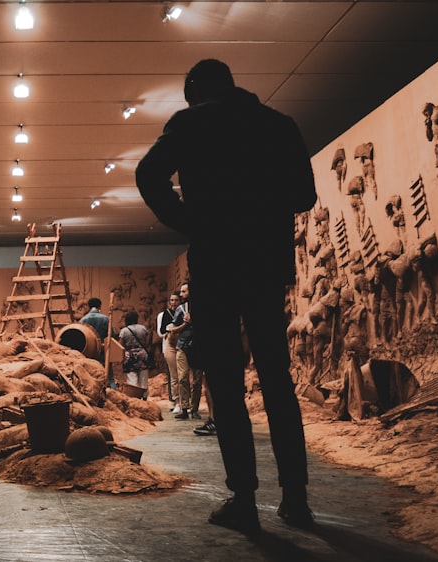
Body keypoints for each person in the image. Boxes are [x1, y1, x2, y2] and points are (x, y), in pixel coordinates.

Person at [136, 58, 318, 534]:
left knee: (226, 382)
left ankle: (244, 497)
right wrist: (260, 207)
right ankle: (296, 498)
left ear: (195, 90)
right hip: (264, 263)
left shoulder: (191, 122)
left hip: (216, 265)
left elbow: (147, 175)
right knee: (277, 380)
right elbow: (304, 195)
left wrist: (190, 221)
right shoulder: (278, 125)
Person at [168, 282, 196, 420]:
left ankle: (195, 408)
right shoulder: (181, 308)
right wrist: (183, 324)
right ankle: (185, 408)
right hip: (183, 345)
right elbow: (174, 325)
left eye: (184, 291)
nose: (181, 294)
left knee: (197, 380)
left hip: (198, 345)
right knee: (183, 377)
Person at [78, 297, 112, 388]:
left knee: (92, 376)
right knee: (108, 375)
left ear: (89, 306)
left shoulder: (83, 320)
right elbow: (111, 334)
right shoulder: (105, 319)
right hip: (103, 351)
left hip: (89, 352)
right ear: (99, 306)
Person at [155, 291, 181, 405]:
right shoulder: (163, 314)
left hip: (183, 345)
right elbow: (160, 333)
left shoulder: (184, 312)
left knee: (183, 375)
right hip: (169, 344)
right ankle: (174, 400)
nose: (173, 303)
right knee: (172, 374)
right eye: (171, 300)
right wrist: (171, 330)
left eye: (176, 300)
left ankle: (185, 401)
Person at [118, 310, 151, 392]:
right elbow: (147, 343)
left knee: (132, 379)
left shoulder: (124, 331)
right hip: (142, 355)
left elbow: (120, 345)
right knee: (143, 379)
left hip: (129, 356)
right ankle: (144, 398)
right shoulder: (143, 328)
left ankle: (134, 397)